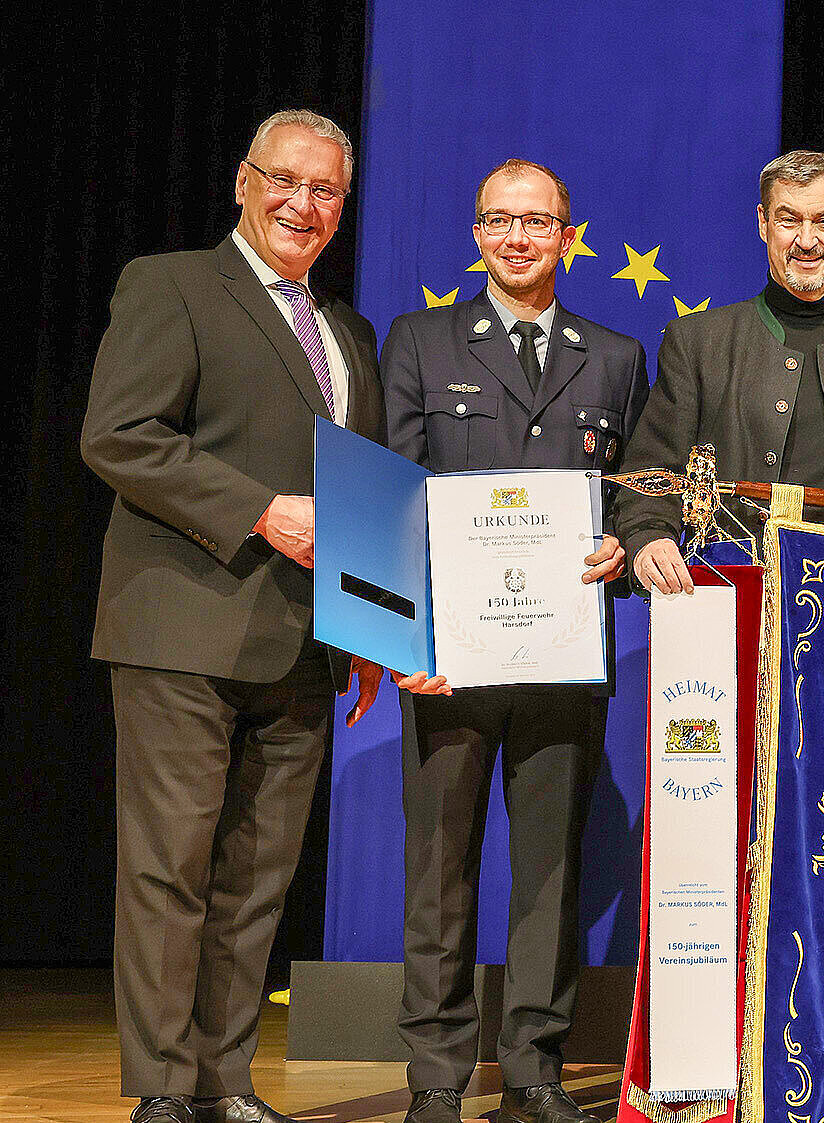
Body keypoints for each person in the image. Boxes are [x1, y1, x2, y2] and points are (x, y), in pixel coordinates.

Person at [80, 109, 384, 1123]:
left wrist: (375, 629)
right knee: (170, 870)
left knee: (257, 881)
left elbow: (366, 493)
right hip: (183, 629)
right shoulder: (171, 284)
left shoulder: (347, 333)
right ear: (245, 183)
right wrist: (256, 509)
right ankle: (163, 1089)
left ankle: (222, 1080)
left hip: (304, 644)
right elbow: (119, 436)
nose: (305, 204)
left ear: (343, 209)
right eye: (287, 181)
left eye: (327, 191)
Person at [377, 159, 647, 1123]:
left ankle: (533, 1067)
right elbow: (394, 500)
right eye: (500, 220)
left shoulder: (614, 354)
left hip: (564, 660)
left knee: (550, 873)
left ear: (569, 237)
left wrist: (624, 539)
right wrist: (401, 631)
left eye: (539, 223)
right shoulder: (420, 339)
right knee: (438, 876)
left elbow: (629, 493)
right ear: (477, 233)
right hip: (449, 662)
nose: (519, 238)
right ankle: (436, 1080)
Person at [618, 150, 824, 591]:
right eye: (789, 220)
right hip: (735, 593)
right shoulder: (697, 342)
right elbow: (649, 478)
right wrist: (650, 541)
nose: (807, 240)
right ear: (763, 223)